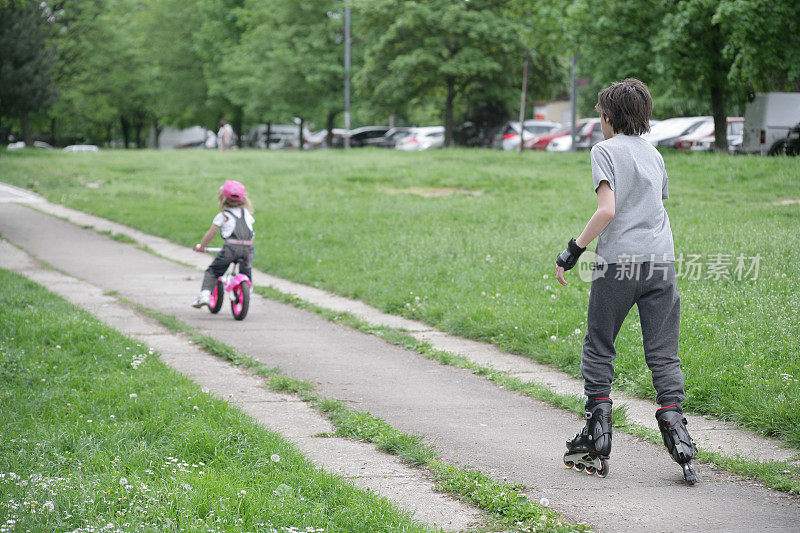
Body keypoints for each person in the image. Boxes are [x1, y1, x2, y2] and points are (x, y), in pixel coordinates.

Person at [555, 78, 698, 485]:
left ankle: (597, 429)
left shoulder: (604, 149)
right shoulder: (654, 155)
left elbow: (607, 210)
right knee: (663, 352)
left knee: (600, 343)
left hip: (617, 265)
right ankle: (677, 431)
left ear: (606, 117)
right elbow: (654, 207)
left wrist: (573, 251)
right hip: (660, 265)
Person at [192, 180, 255, 308]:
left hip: (231, 248)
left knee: (214, 271)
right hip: (248, 247)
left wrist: (202, 247)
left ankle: (205, 295)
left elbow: (210, 234)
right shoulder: (247, 214)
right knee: (246, 268)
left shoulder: (223, 215)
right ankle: (248, 286)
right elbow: (250, 232)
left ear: (222, 198)